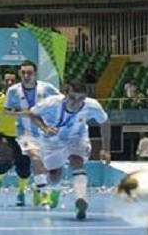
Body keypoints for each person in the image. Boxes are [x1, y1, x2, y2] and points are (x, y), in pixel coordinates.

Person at [28, 79, 111, 220]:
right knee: (54, 176)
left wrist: (106, 149)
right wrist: (44, 127)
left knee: (76, 161)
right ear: (65, 94)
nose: (76, 102)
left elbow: (105, 123)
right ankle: (54, 189)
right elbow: (32, 113)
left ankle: (81, 199)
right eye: (72, 98)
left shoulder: (92, 106)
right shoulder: (51, 103)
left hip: (77, 137)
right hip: (52, 141)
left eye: (81, 99)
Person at [4, 60, 60, 207]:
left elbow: (61, 103)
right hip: (25, 132)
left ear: (35, 74)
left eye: (29, 73)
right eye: (23, 73)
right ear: (19, 74)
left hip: (46, 132)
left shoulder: (47, 88)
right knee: (35, 158)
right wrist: (26, 113)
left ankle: (37, 186)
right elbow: (6, 111)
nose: (26, 75)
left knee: (43, 164)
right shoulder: (13, 91)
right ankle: (44, 193)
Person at [0, 72, 29, 206]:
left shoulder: (26, 98)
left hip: (23, 136)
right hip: (3, 135)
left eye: (12, 80)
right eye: (7, 80)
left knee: (24, 168)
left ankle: (21, 193)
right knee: (5, 158)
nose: (9, 83)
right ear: (2, 81)